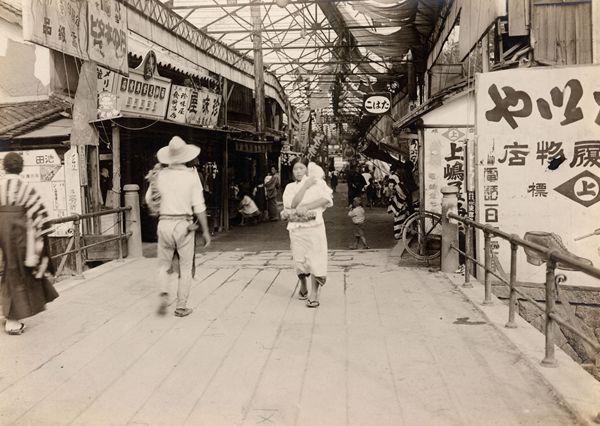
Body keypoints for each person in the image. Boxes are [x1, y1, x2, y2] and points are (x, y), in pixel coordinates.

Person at [145, 136, 211, 318]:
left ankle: (164, 291)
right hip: (184, 224)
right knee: (185, 266)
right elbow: (199, 206)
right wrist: (205, 231)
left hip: (164, 223)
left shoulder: (158, 175)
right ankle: (181, 306)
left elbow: (149, 200)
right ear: (186, 156)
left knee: (163, 264)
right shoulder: (191, 176)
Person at [0, 152, 58, 335]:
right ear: (21, 168)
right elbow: (38, 214)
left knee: (7, 271)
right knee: (18, 273)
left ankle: (8, 312)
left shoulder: (0, 185)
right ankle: (12, 320)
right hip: (18, 234)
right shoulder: (24, 187)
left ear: (4, 166)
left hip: (2, 231)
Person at [281, 158, 333, 308]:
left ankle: (314, 294)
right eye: (295, 169)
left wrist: (308, 207)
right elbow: (292, 204)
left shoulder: (317, 182)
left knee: (316, 258)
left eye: (301, 168)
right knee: (300, 259)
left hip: (314, 227)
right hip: (297, 228)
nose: (298, 172)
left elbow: (326, 199)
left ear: (307, 169)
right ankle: (303, 283)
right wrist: (304, 186)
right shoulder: (290, 187)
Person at [387, 172, 410, 240]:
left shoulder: (393, 185)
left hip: (396, 203)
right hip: (399, 204)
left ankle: (400, 233)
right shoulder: (398, 186)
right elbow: (404, 195)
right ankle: (398, 234)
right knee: (399, 219)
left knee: (398, 218)